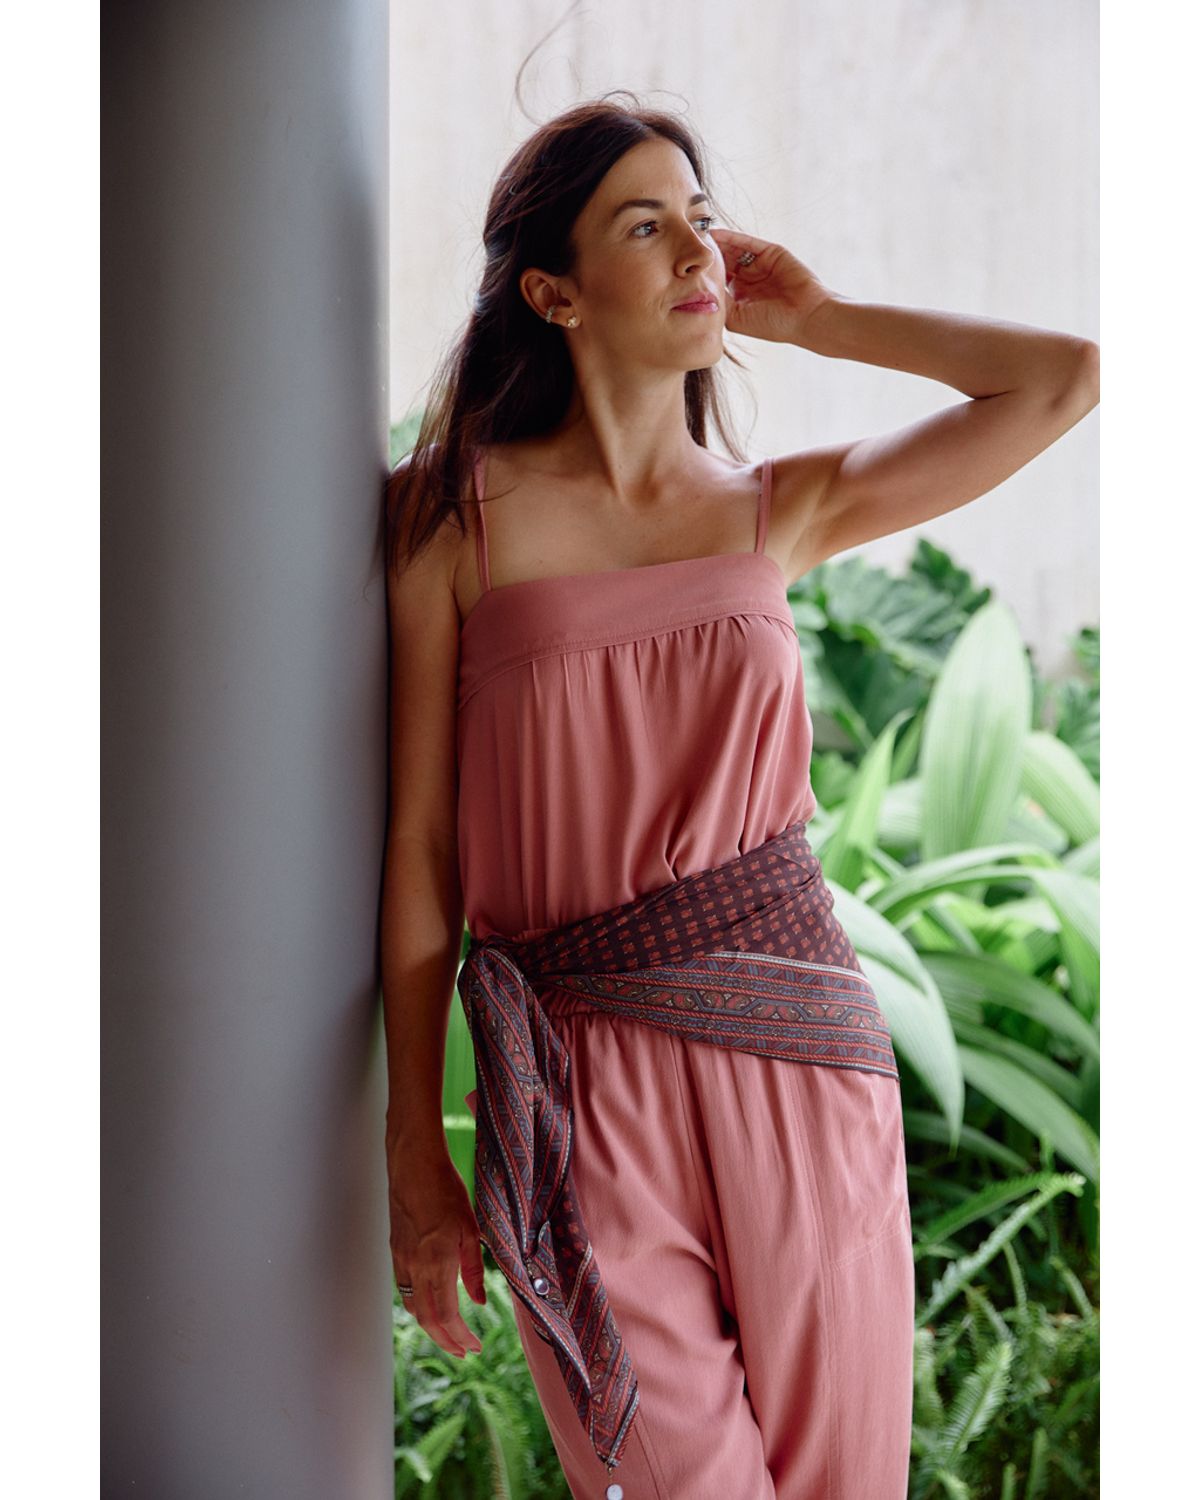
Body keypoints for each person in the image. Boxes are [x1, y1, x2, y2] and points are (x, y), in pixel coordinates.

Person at [379, 95, 1099, 1500]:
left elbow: (1064, 380)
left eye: (701, 219)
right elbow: (418, 849)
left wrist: (821, 319)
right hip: (575, 1086)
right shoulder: (449, 520)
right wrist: (417, 1147)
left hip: (797, 1055)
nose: (696, 250)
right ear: (554, 293)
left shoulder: (781, 508)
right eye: (645, 226)